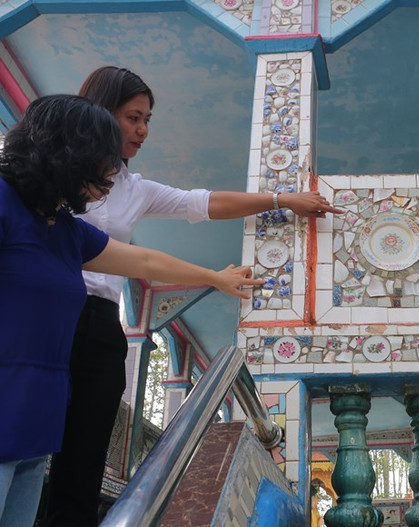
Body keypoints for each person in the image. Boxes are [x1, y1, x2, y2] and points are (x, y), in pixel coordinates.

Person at [44, 66, 343, 526]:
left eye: (147, 119)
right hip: (42, 313)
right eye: (133, 117)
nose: (143, 130)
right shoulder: (44, 169)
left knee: (82, 465)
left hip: (101, 323)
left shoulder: (132, 187)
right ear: (99, 114)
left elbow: (200, 204)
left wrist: (282, 199)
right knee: (24, 444)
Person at [0, 94, 263, 527]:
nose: (111, 175)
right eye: (103, 161)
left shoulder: (67, 232)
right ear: (68, 152)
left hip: (36, 430)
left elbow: (144, 262)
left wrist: (215, 277)